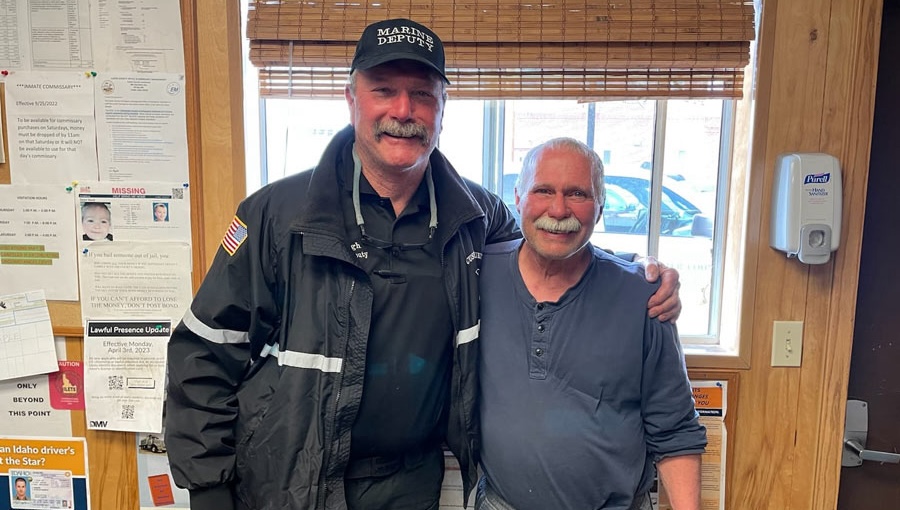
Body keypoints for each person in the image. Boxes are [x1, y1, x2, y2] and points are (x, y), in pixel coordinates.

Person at [164, 18, 682, 510]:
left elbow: (551, 242)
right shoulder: (278, 216)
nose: (403, 109)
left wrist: (638, 272)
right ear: (351, 100)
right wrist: (209, 491)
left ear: (442, 109)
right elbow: (203, 354)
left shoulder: (474, 216)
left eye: (423, 94)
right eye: (384, 90)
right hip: (289, 481)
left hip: (408, 484)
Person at [477, 138, 706, 510]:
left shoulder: (643, 297)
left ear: (600, 208)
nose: (558, 209)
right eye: (543, 190)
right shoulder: (477, 275)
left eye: (578, 194)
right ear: (517, 197)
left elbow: (675, 429)